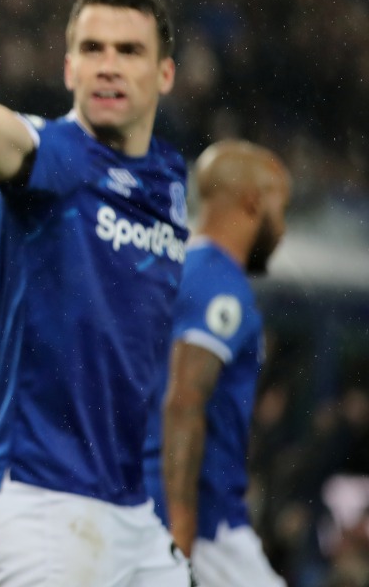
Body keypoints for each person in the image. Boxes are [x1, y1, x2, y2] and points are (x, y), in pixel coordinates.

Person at [0, 0, 193, 585]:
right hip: (37, 498)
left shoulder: (171, 179)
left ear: (166, 73)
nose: (108, 64)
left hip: (133, 510)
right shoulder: (57, 154)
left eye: (128, 51)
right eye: (92, 48)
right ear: (69, 67)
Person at [143, 140, 291, 586]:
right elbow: (184, 402)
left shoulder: (172, 267)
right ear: (254, 201)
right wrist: (182, 531)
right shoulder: (219, 284)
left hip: (150, 502)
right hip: (205, 525)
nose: (281, 229)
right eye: (281, 210)